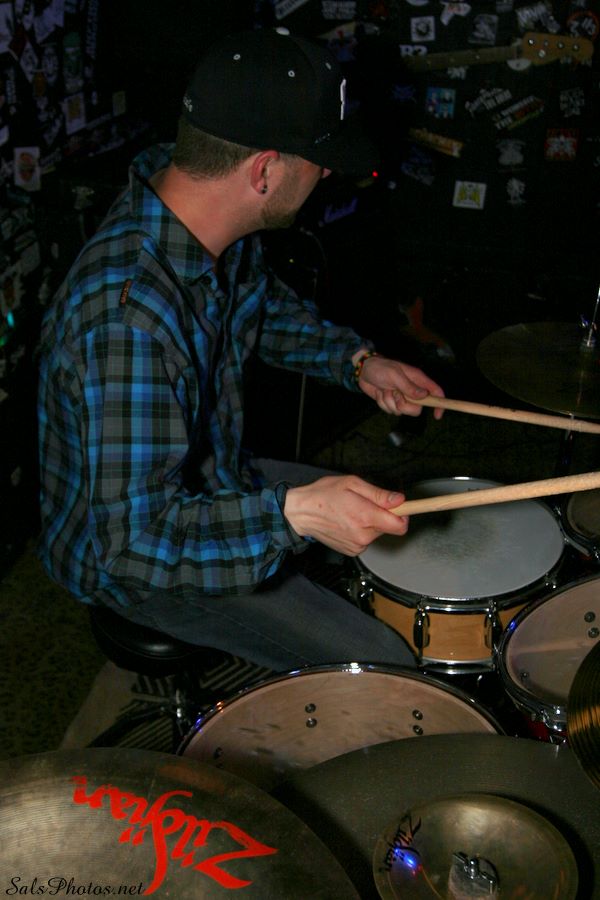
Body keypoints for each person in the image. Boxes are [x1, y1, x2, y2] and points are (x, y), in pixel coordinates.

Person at [37, 28, 444, 673]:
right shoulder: (126, 324)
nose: (327, 174)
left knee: (397, 517)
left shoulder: (196, 212)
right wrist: (295, 515)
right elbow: (137, 541)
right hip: (135, 561)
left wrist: (358, 363)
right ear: (264, 171)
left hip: (209, 474)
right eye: (318, 161)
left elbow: (261, 310)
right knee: (385, 665)